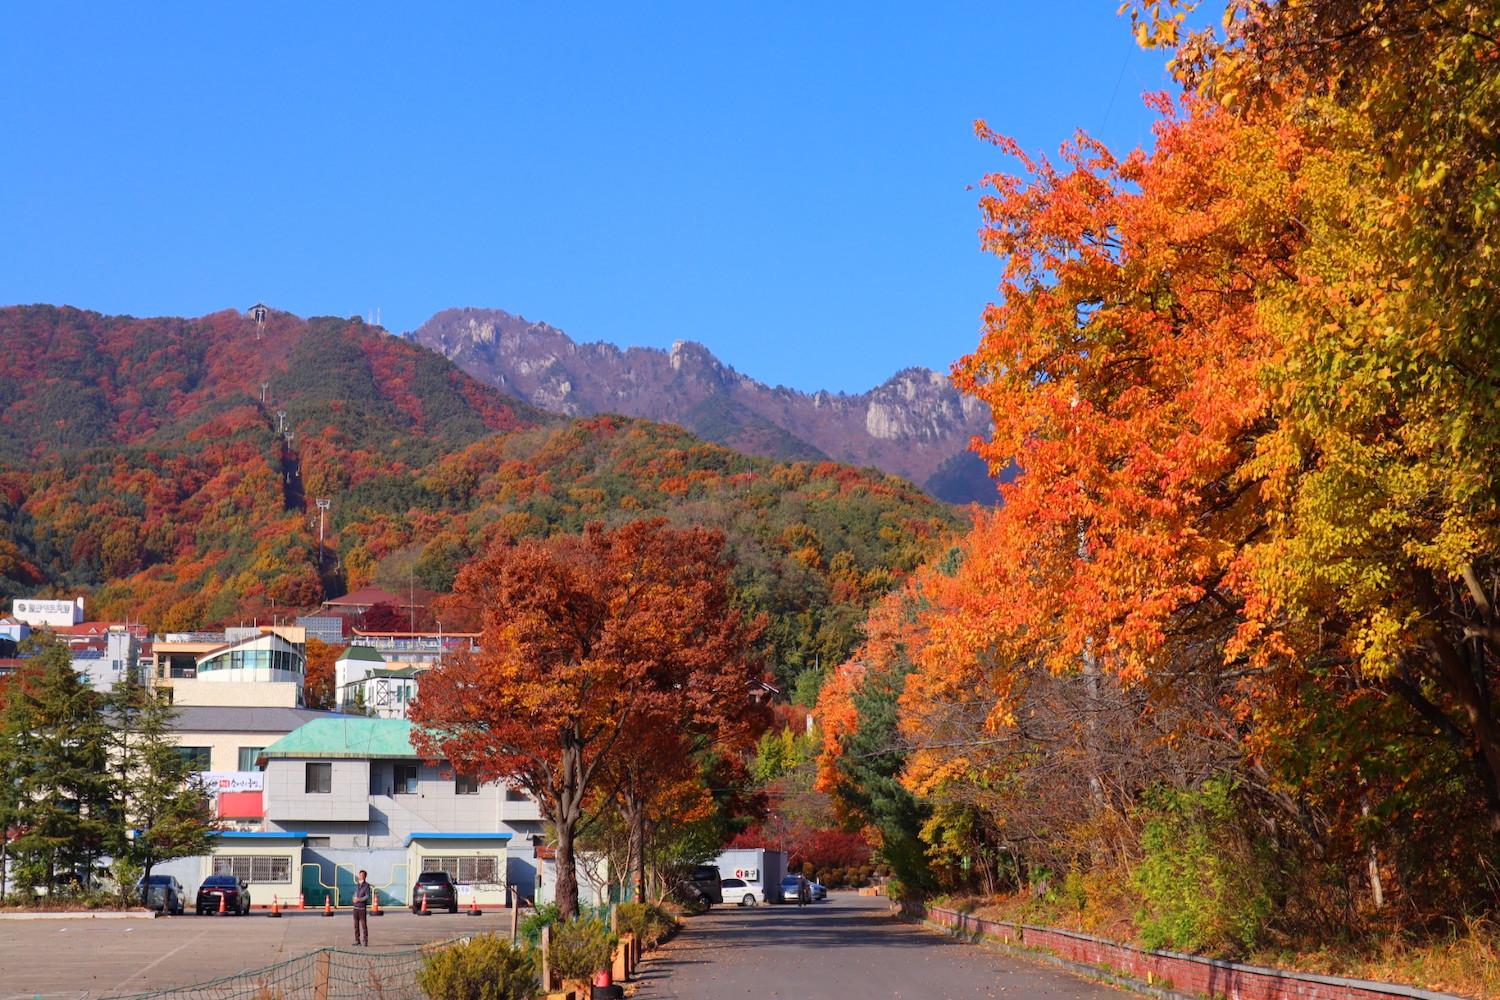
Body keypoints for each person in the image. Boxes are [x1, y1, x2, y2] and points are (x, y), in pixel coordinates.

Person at [352, 870, 371, 946]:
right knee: (356, 925)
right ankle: (357, 940)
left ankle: (365, 941)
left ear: (365, 876)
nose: (360, 876)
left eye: (362, 875)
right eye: (359, 875)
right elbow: (354, 894)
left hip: (362, 909)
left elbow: (367, 896)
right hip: (355, 908)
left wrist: (359, 899)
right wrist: (353, 898)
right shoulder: (357, 885)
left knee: (363, 925)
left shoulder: (366, 885)